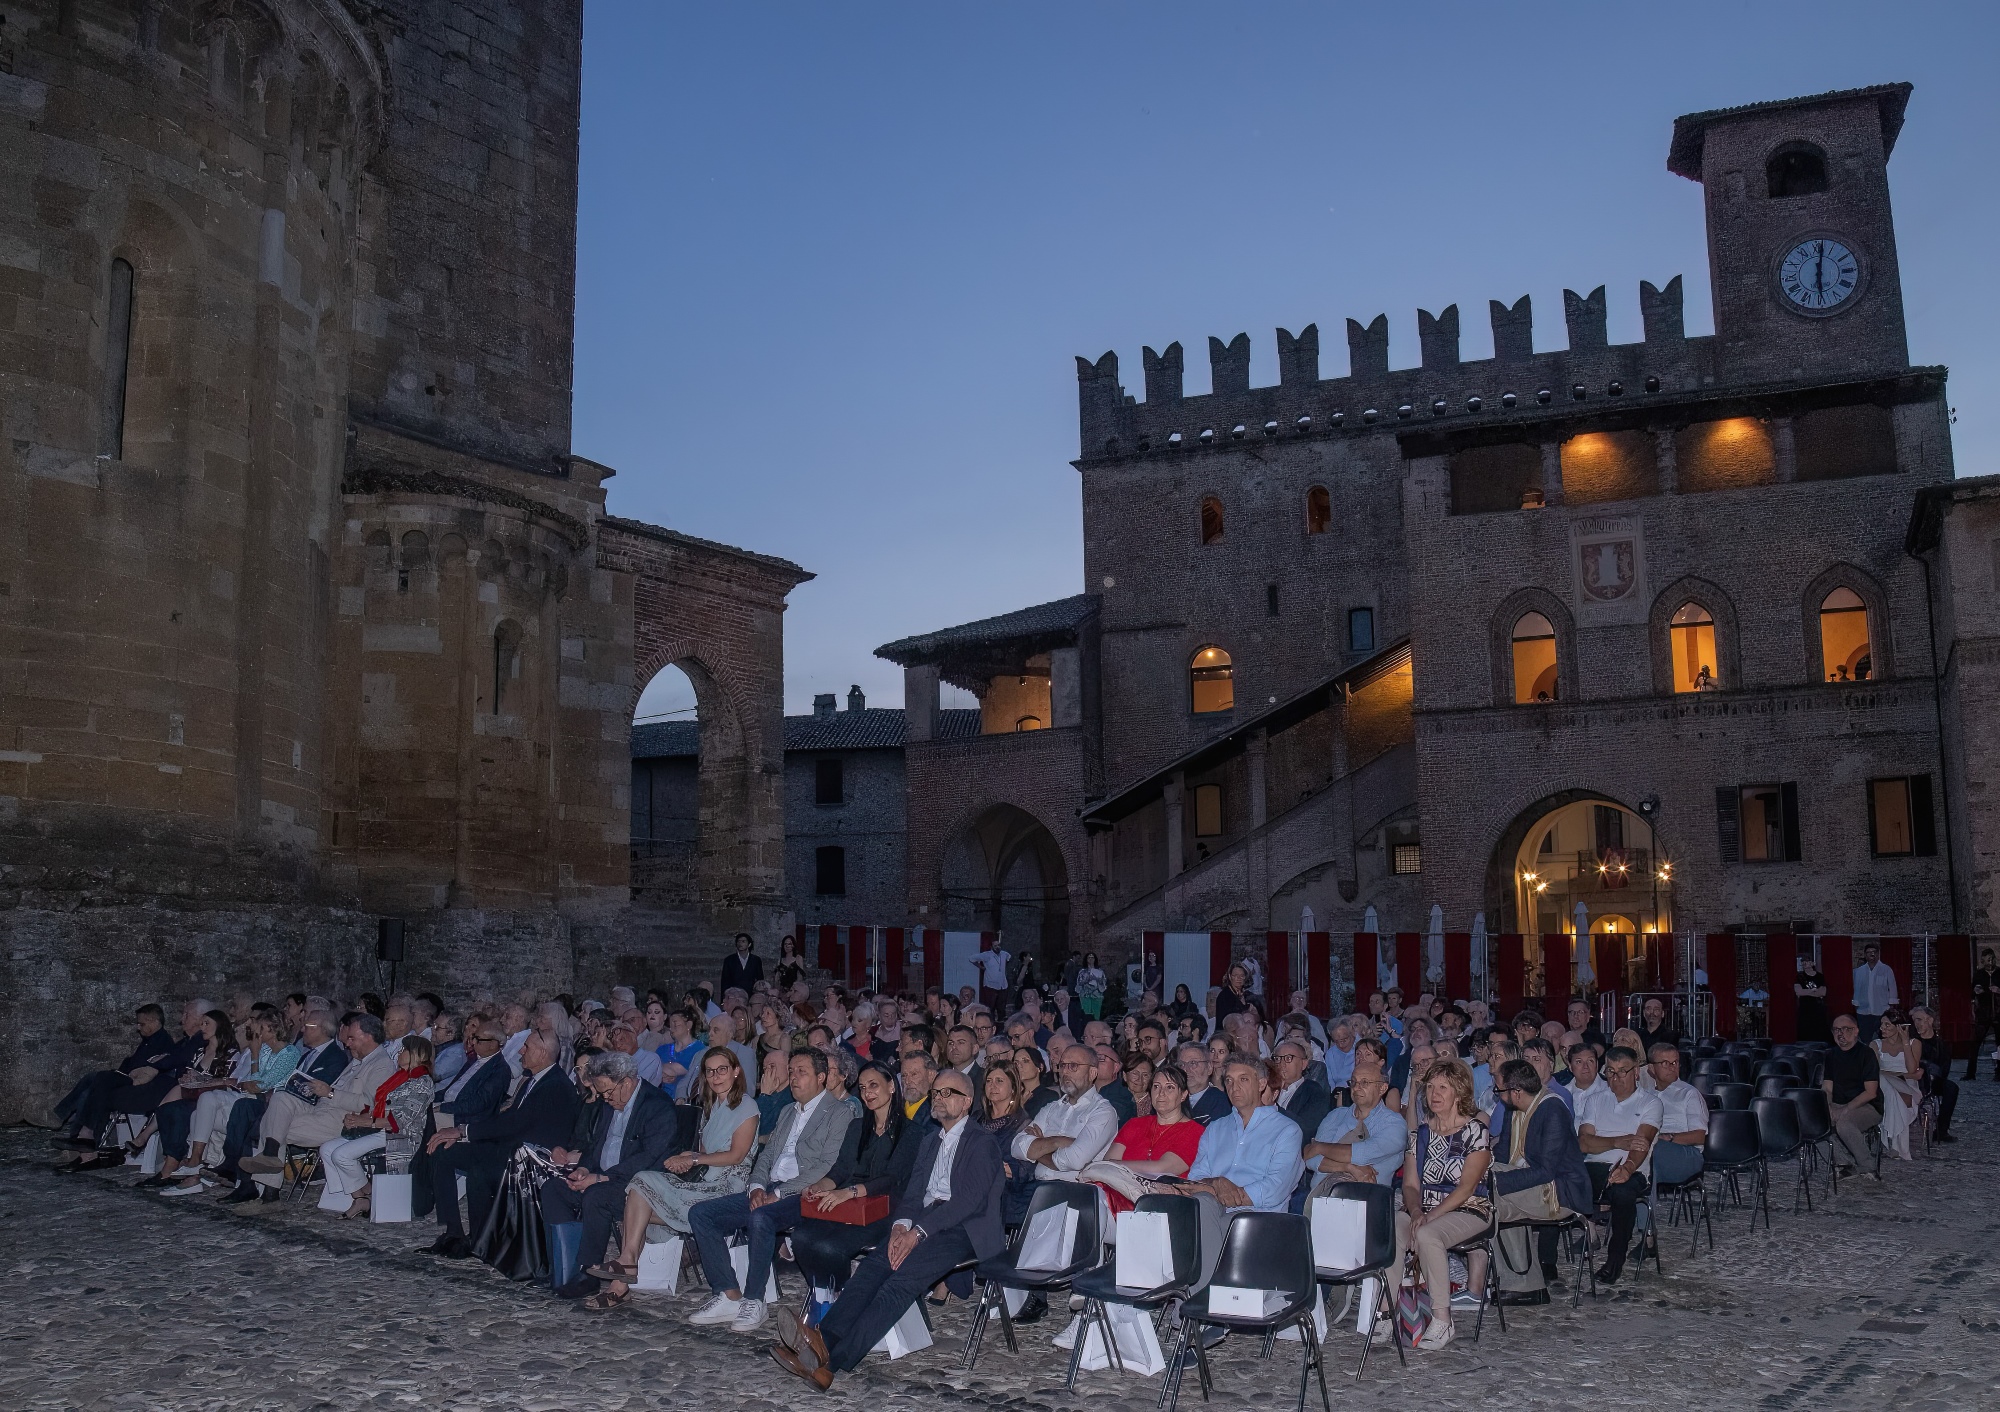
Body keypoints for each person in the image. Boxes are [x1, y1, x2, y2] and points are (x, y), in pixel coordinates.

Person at [769, 1070, 1002, 1390]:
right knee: (873, 1269)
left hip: (965, 1230)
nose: (938, 1097)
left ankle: (833, 1364)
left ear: (967, 1102)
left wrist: (916, 1233)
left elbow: (966, 1204)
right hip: (925, 1220)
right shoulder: (930, 1140)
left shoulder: (981, 1142)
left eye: (948, 1093)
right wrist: (900, 1228)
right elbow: (913, 1194)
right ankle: (819, 1344)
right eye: (936, 1092)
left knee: (900, 1283)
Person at [686, 1048, 857, 1331]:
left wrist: (777, 1194)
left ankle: (755, 1299)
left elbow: (828, 1165)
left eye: (802, 1072)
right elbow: (766, 1156)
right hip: (770, 1188)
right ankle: (727, 1292)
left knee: (761, 1218)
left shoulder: (839, 1112)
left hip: (805, 1193)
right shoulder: (788, 1111)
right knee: (702, 1214)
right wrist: (756, 1187)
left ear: (821, 1077)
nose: (794, 1078)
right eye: (791, 1072)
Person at [583, 1047, 761, 1309]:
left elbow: (736, 1156)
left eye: (722, 1069)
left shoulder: (746, 1105)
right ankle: (625, 1269)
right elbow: (704, 1153)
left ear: (736, 1071)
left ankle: (622, 1278)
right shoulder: (712, 1106)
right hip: (702, 1180)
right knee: (640, 1187)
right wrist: (687, 1159)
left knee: (638, 1198)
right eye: (709, 1071)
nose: (715, 1076)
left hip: (727, 1187)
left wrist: (693, 1159)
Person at [539, 1051, 686, 1300]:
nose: (605, 1098)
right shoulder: (612, 1102)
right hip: (602, 1176)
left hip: (639, 1186)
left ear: (626, 1082)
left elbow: (650, 1157)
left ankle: (589, 1272)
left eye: (608, 1091)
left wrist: (601, 1178)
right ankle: (563, 1266)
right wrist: (584, 1169)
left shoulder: (657, 1106)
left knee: (597, 1197)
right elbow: (598, 1144)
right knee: (554, 1189)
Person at [786, 1061, 932, 1305]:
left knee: (831, 1247)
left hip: (886, 1207)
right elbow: (842, 1168)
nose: (867, 1093)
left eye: (874, 1086)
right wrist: (820, 1186)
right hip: (850, 1204)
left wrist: (849, 1192)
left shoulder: (911, 1131)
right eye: (863, 1088)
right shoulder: (857, 1127)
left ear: (891, 1087)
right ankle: (825, 1293)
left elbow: (892, 1177)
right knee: (801, 1237)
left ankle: (844, 1297)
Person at [1390, 1058, 1492, 1351]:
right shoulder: (1419, 1134)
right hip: (1425, 1208)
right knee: (1392, 1228)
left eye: (1443, 1087)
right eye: (1431, 1087)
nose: (1434, 1093)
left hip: (1469, 1208)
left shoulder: (1475, 1131)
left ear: (1459, 1092)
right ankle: (1387, 1309)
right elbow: (1410, 1185)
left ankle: (1442, 1319)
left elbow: (1467, 1188)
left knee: (1427, 1234)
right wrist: (1418, 1211)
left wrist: (1428, 1217)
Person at [240, 1011, 398, 1182]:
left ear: (368, 1037)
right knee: (280, 1099)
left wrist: (330, 1092)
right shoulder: (358, 1059)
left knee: (272, 1124)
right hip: (320, 1109)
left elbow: (368, 1104)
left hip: (340, 1120)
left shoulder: (381, 1065)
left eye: (352, 1039)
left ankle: (267, 1188)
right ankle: (269, 1160)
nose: (347, 1043)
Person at [1488, 1058, 1591, 1307]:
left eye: (1499, 1090)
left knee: (1487, 1193)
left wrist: (1497, 1182)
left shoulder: (1552, 1109)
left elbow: (1546, 1171)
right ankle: (1524, 1284)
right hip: (1532, 1183)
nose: (1497, 1095)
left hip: (1559, 1192)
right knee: (1482, 1194)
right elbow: (1502, 1156)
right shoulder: (1514, 1110)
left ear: (1517, 1092)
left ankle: (1522, 1283)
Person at [52, 1002, 200, 1163]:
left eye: (187, 1015)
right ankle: (82, 1141)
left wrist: (150, 1067)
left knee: (99, 1081)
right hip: (139, 1080)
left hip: (148, 1087)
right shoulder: (165, 1042)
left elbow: (158, 1064)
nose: (182, 1019)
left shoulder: (165, 1041)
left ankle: (78, 1131)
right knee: (93, 1087)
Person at [320, 1034, 434, 1218]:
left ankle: (369, 1194)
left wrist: (366, 1121)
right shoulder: (400, 1077)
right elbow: (381, 1107)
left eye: (404, 1050)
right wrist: (360, 1117)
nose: (400, 1052)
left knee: (340, 1155)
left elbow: (400, 1120)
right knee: (326, 1149)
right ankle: (360, 1198)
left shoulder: (421, 1083)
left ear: (416, 1054)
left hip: (399, 1135)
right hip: (380, 1129)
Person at [1575, 1045, 1660, 1285]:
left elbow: (1641, 1143)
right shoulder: (1595, 1100)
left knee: (1623, 1193)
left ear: (1635, 1073)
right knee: (1559, 1182)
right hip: (1595, 1167)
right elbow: (1584, 1143)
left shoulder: (1650, 1103)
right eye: (1611, 1071)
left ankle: (1615, 1261)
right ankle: (1546, 1264)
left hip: (1633, 1170)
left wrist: (1627, 1168)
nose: (1616, 1078)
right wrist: (1616, 1141)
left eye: (1623, 1071)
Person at [1088, 1061, 1204, 1211]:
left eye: (1169, 1087)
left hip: (1163, 1201)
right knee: (1089, 1194)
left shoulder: (1194, 1131)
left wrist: (1116, 1165)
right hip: (1119, 1193)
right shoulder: (1134, 1124)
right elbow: (1108, 1162)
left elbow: (1162, 1168)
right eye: (1156, 1087)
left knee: (1095, 1199)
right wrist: (1111, 1165)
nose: (1161, 1093)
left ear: (1183, 1095)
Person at [1304, 1064, 1406, 1190]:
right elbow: (1311, 1160)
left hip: (1367, 1200)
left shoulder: (1394, 1123)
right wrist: (1349, 1168)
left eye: (1365, 1082)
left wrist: (1319, 1147)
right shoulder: (1336, 1115)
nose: (1356, 1087)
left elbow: (1361, 1154)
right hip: (1321, 1196)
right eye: (1353, 1082)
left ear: (1382, 1088)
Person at [1822, 1014, 1883, 1180]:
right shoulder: (1830, 1055)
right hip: (1838, 1103)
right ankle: (1844, 1164)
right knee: (1815, 1122)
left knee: (1844, 1123)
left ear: (1856, 1031)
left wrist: (1845, 1110)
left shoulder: (1866, 1054)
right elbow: (1827, 1087)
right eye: (1836, 1030)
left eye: (1846, 1029)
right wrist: (1828, 1106)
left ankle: (1868, 1167)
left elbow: (1870, 1092)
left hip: (1868, 1106)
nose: (1841, 1034)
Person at [1644, 1044, 1709, 1189]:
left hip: (1686, 1153)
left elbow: (1699, 1136)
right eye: (1665, 1063)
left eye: (1675, 1062)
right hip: (1655, 1149)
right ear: (1651, 1068)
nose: (1672, 1067)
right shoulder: (1647, 1095)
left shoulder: (1689, 1094)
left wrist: (1669, 1138)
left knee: (1651, 1150)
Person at [1872, 1009, 1921, 1160]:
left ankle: (1891, 1141)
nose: (1882, 1028)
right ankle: (1898, 1146)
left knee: (1888, 1083)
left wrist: (1905, 1043)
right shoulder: (1876, 1045)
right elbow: (1873, 1073)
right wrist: (1891, 1076)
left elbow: (1912, 1069)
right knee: (1887, 1086)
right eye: (1882, 1024)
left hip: (1907, 1086)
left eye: (1887, 1025)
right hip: (1884, 1087)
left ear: (1899, 1026)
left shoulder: (1914, 1043)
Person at [1909, 1006, 1957, 1143]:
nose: (1916, 1024)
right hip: (1913, 1079)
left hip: (1932, 1080)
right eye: (1914, 1020)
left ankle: (1941, 1131)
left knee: (1951, 1088)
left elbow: (1944, 1069)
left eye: (1919, 1020)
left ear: (1929, 1020)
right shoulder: (1911, 1041)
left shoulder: (1942, 1044)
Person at [1852, 942, 1898, 1045]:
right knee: (1865, 1040)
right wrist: (1856, 1006)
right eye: (1868, 952)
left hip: (1881, 1011)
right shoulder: (1858, 971)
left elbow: (1892, 988)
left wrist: (1891, 1006)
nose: (1871, 955)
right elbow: (1856, 989)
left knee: (1883, 1039)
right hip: (1863, 1012)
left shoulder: (1886, 970)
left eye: (1874, 952)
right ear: (1865, 955)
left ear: (1878, 954)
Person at [1177, 1042, 1232, 1123]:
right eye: (1182, 1064)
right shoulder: (1175, 1098)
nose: (1186, 1069)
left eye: (1193, 1063)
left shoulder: (1220, 1102)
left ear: (1209, 1067)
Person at [1968, 948, 2000, 1081]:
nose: (1989, 962)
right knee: (1975, 1044)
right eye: (1987, 960)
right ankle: (1970, 1073)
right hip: (1983, 1014)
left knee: (1999, 1045)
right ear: (1982, 960)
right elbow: (1972, 991)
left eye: (1991, 959)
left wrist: (1999, 990)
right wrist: (1976, 991)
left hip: (1999, 1013)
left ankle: (1998, 1073)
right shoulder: (1979, 974)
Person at [1795, 951, 1832, 1044]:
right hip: (1805, 1010)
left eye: (1806, 961)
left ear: (1812, 963)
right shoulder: (1799, 977)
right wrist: (1813, 991)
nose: (1804, 963)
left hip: (1818, 1009)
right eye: (1802, 961)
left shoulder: (1820, 976)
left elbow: (1823, 992)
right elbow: (1798, 991)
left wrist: (1808, 992)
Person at [973, 942, 1011, 1011]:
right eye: (995, 945)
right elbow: (972, 958)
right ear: (991, 947)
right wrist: (981, 967)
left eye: (998, 945)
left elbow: (1008, 958)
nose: (997, 947)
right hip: (990, 984)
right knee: (990, 1006)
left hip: (1002, 984)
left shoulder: (1004, 954)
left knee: (1001, 1005)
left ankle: (1000, 1019)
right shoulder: (986, 955)